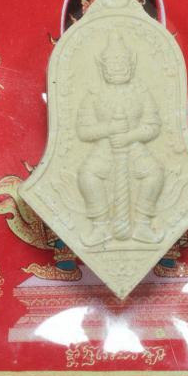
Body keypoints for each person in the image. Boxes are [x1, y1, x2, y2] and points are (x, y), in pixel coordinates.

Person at [76, 30, 165, 246]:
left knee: (154, 173)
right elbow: (84, 131)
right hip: (104, 149)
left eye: (121, 62)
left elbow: (153, 125)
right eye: (112, 63)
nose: (117, 67)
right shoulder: (94, 94)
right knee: (87, 175)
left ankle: (142, 224)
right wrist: (109, 129)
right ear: (102, 67)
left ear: (131, 65)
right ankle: (101, 226)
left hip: (134, 146)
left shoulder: (141, 92)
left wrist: (129, 136)